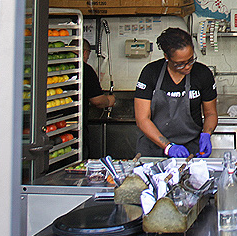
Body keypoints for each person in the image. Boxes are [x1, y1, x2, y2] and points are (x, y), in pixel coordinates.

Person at [134, 27, 218, 157]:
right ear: (166, 57)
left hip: (190, 150)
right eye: (180, 64)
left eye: (191, 60)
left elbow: (211, 113)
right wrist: (168, 147)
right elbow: (142, 119)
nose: (187, 67)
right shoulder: (151, 73)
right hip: (153, 148)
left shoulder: (202, 74)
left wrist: (207, 134)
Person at [81, 39, 116, 112]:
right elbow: (98, 101)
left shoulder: (59, 67)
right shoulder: (86, 70)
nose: (88, 58)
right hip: (76, 119)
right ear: (85, 53)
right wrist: (109, 101)